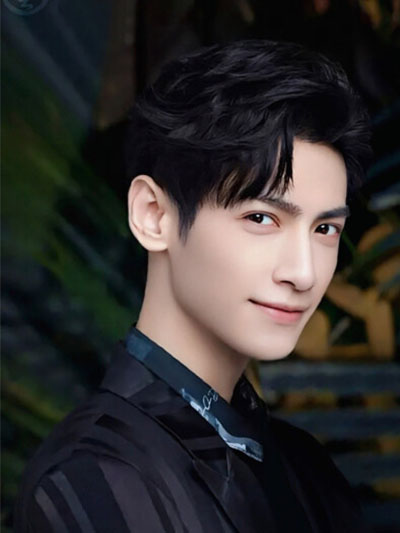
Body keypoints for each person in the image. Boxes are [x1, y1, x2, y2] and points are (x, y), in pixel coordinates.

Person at [14, 39, 372, 532]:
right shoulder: (90, 481)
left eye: (325, 228)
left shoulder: (308, 472)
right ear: (153, 215)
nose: (304, 272)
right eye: (261, 218)